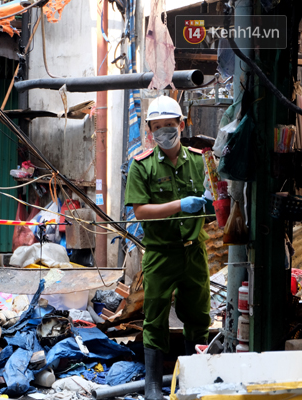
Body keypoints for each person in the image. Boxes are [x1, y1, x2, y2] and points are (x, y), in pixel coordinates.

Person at [124, 96, 211, 400]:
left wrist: (214, 206)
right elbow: (140, 211)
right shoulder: (142, 166)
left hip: (193, 251)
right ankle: (151, 386)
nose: (164, 132)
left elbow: (211, 207)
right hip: (160, 254)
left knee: (198, 316)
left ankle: (192, 378)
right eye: (157, 127)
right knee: (156, 316)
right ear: (149, 130)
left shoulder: (200, 161)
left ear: (181, 125)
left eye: (169, 126)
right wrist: (179, 205)